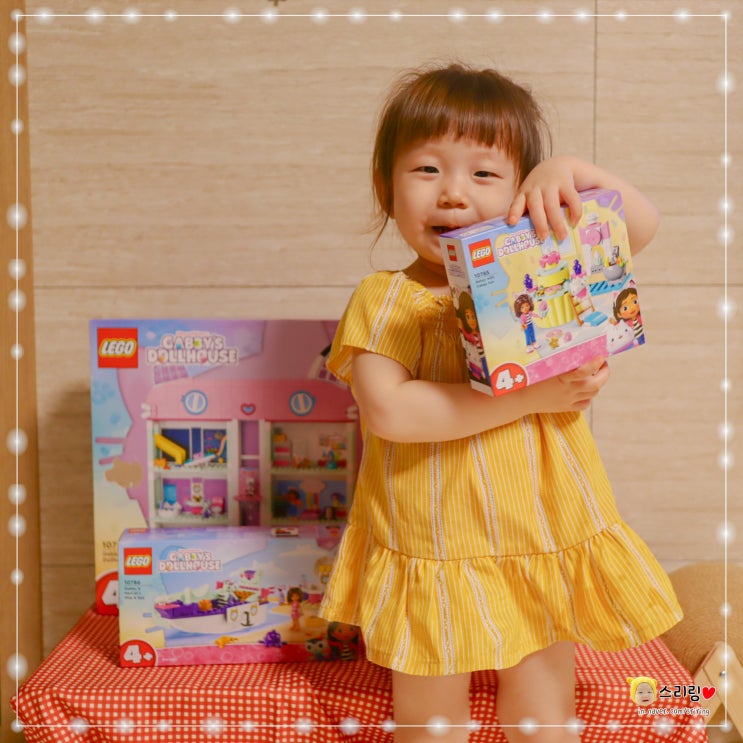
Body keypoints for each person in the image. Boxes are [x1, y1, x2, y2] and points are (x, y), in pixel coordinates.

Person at [319, 63, 682, 743]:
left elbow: (640, 225)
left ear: (520, 193)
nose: (453, 193)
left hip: (539, 525)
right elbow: (391, 412)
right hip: (432, 536)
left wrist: (570, 172)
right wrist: (533, 395)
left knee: (543, 713)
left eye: (484, 174)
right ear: (386, 188)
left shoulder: (539, 266)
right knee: (430, 720)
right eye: (426, 169)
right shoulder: (388, 298)